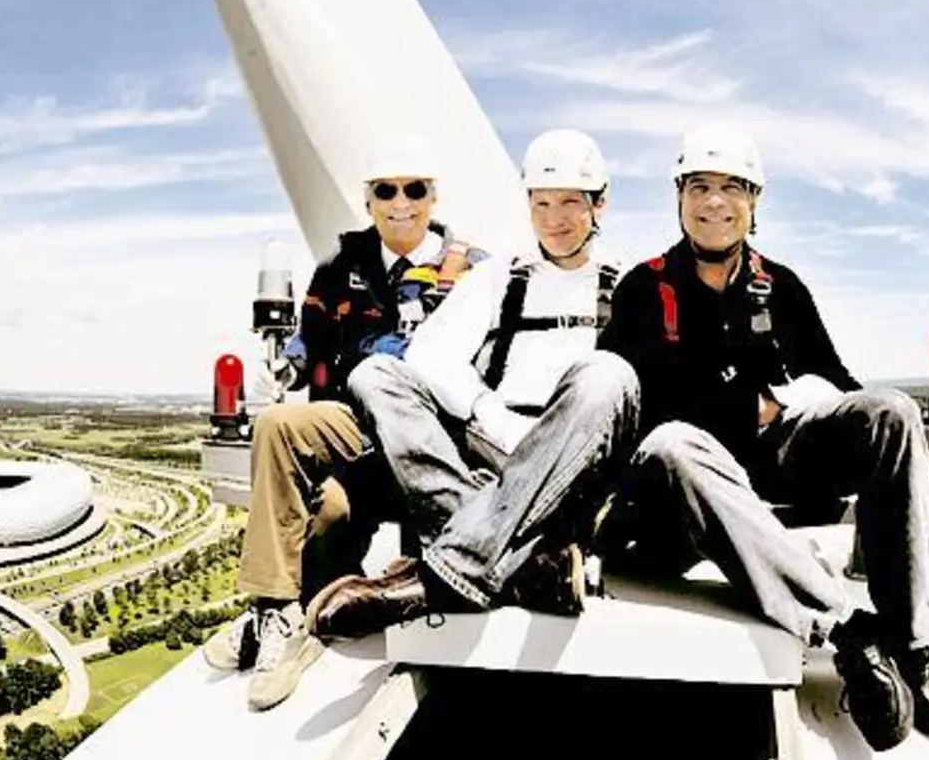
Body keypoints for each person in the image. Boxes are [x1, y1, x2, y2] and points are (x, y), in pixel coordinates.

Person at [594, 126, 929, 752]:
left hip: (775, 460)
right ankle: (847, 631)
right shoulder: (643, 289)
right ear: (679, 197)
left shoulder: (780, 286)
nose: (715, 203)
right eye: (700, 188)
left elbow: (841, 383)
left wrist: (796, 402)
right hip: (690, 483)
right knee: (675, 442)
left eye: (731, 188)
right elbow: (639, 404)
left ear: (754, 200)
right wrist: (748, 403)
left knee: (892, 413)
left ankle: (909, 642)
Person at [303, 128, 641, 638]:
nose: (555, 219)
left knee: (606, 374)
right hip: (496, 440)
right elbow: (428, 355)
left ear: (601, 204)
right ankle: (524, 568)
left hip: (580, 460)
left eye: (571, 202)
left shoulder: (631, 283)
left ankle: (451, 566)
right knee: (376, 374)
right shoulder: (501, 277)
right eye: (542, 203)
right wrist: (489, 412)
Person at [200, 134, 488, 711]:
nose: (400, 202)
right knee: (278, 424)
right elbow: (309, 340)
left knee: (329, 513)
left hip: (432, 434)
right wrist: (285, 367)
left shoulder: (471, 270)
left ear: (433, 198)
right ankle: (273, 612)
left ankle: (310, 612)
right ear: (369, 200)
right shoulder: (341, 266)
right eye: (386, 190)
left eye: (415, 190)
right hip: (353, 427)